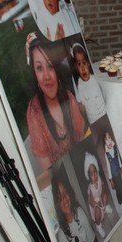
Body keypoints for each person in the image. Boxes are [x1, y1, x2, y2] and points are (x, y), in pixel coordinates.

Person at [26, 33, 89, 172]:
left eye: (50, 66)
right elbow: (49, 172)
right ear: (35, 74)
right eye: (39, 68)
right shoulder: (34, 112)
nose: (46, 77)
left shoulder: (69, 98)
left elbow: (83, 144)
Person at [51, 166, 98, 242]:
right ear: (57, 204)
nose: (65, 199)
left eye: (65, 193)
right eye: (60, 198)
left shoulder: (80, 213)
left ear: (70, 193)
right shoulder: (62, 235)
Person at [71, 43, 107, 125]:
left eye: (84, 63)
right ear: (76, 67)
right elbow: (80, 105)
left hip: (105, 117)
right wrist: (80, 107)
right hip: (93, 123)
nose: (82, 68)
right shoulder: (79, 85)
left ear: (88, 64)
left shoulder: (95, 79)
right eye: (79, 64)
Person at [84, 152, 113, 238]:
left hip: (101, 202)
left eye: (95, 172)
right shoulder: (90, 188)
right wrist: (97, 203)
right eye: (91, 174)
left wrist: (103, 193)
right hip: (96, 206)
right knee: (97, 210)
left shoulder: (99, 179)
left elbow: (103, 186)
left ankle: (105, 208)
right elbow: (91, 202)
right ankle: (98, 226)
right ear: (89, 177)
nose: (94, 175)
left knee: (105, 195)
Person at [102, 129, 122, 206]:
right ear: (104, 142)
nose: (108, 141)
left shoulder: (115, 147)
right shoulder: (106, 154)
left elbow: (118, 158)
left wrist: (121, 168)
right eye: (106, 139)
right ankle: (120, 201)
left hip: (118, 170)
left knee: (121, 183)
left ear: (111, 138)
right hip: (113, 174)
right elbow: (108, 167)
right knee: (117, 188)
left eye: (109, 137)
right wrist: (110, 180)